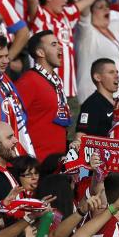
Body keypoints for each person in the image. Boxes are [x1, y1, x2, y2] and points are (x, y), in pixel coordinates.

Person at [16, 30, 70, 161]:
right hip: (37, 163)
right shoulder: (28, 82)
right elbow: (14, 121)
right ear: (40, 53)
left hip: (57, 160)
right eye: (53, 44)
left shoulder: (57, 81)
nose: (60, 47)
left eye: (58, 43)